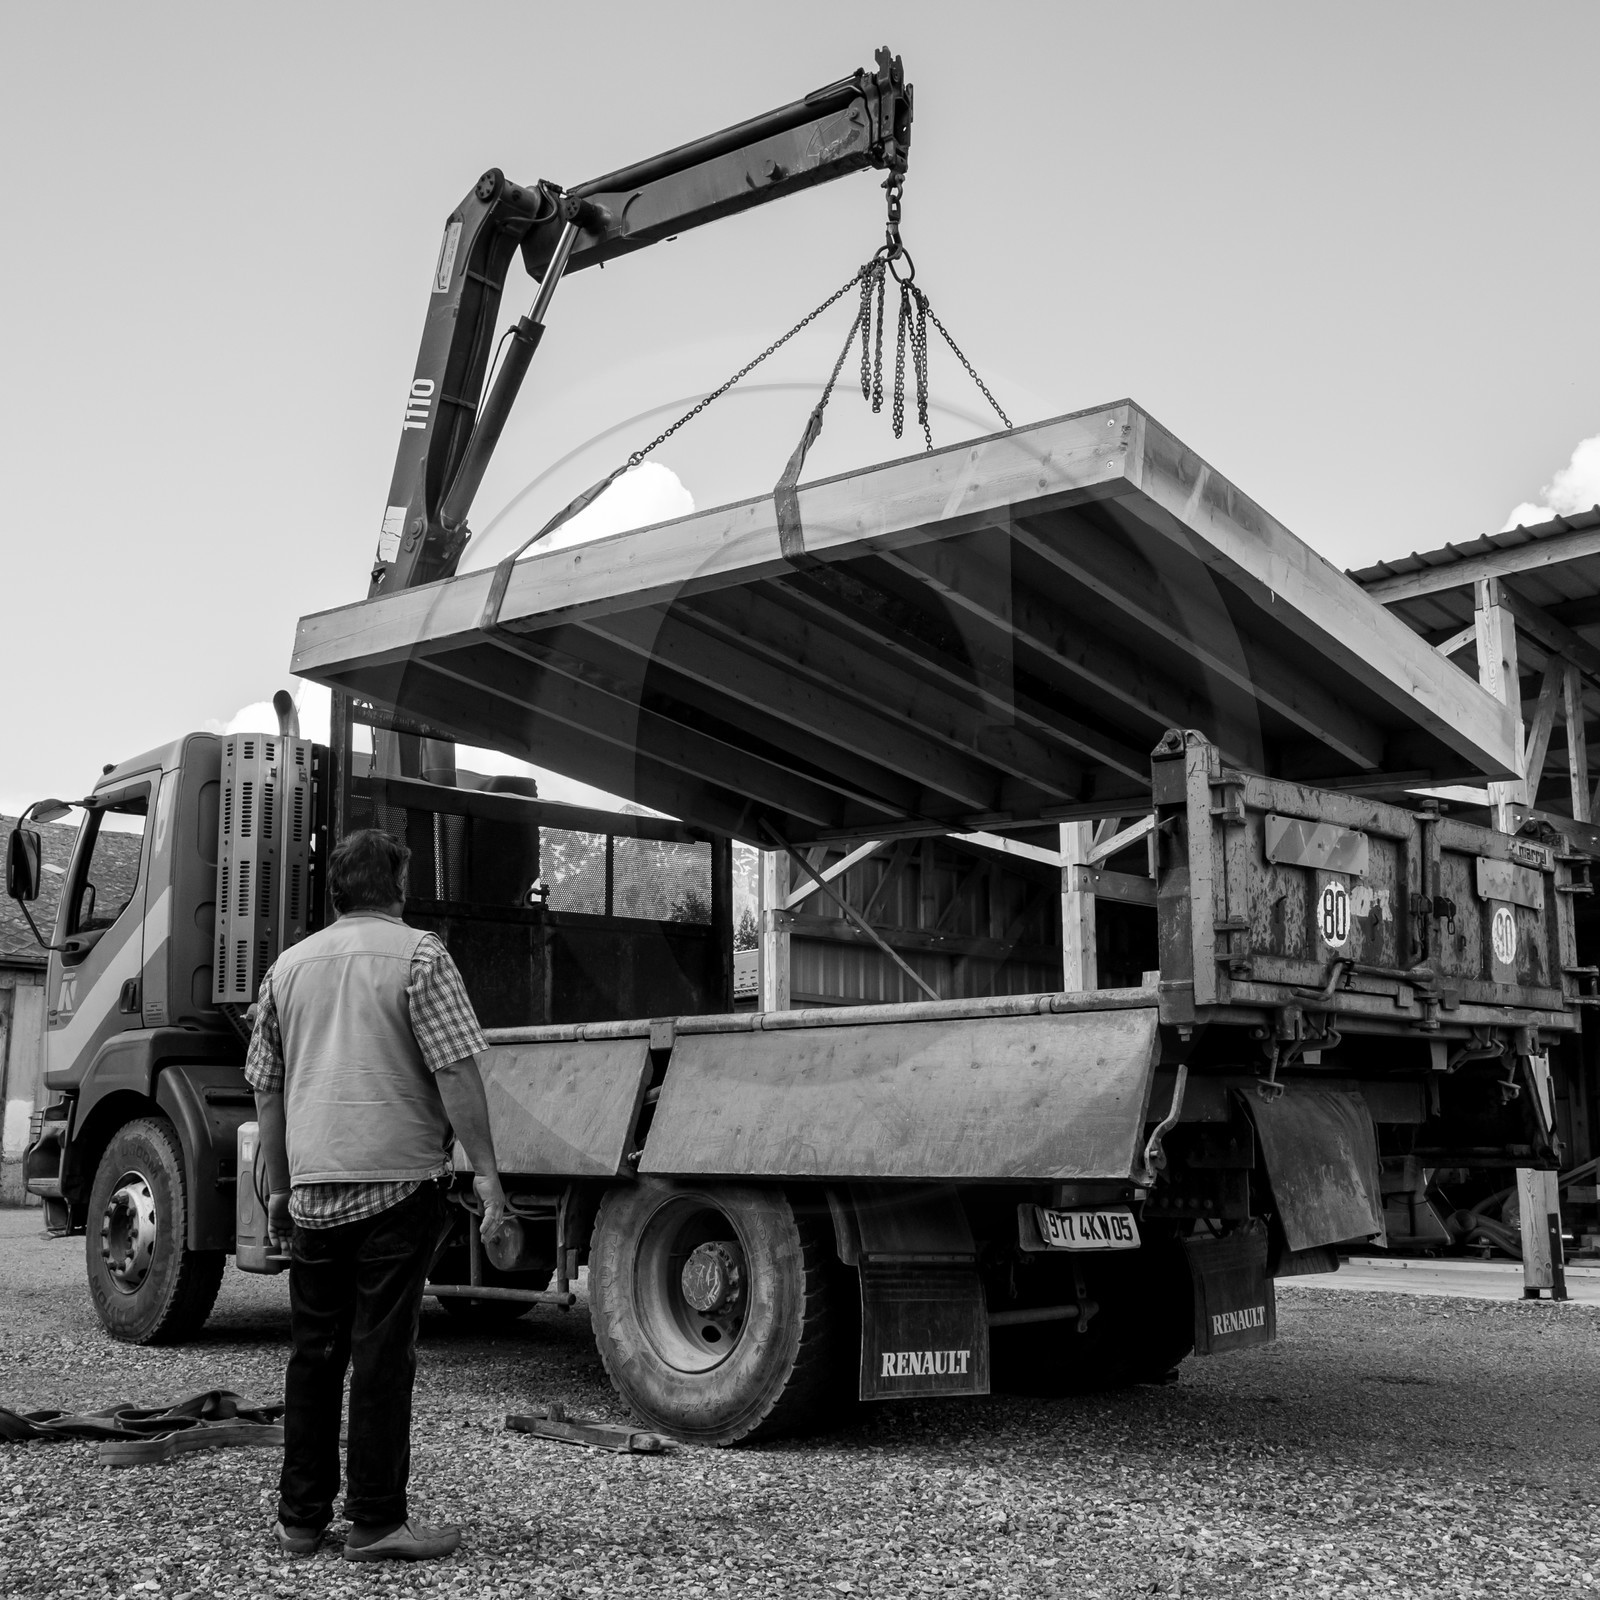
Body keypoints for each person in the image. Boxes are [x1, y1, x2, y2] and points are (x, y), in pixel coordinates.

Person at [246, 827, 508, 1563]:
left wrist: (278, 1186)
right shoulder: (420, 955)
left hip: (315, 1191)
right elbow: (456, 1071)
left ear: (335, 892)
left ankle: (300, 1522)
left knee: (314, 1352)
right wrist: (487, 1175)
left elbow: (265, 1090)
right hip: (397, 1185)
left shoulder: (285, 969)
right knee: (382, 1354)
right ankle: (376, 1522)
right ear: (397, 888)